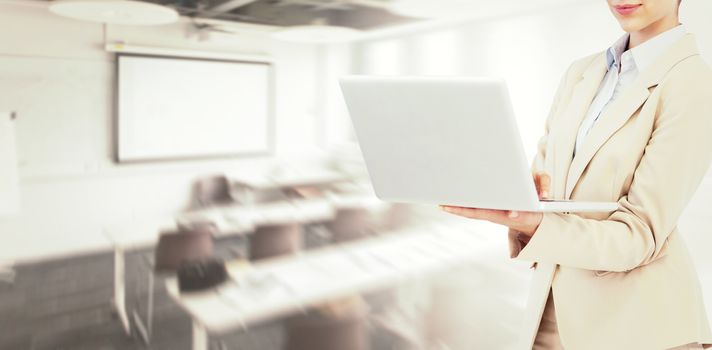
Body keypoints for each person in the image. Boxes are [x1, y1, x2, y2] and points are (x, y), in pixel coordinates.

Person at [440, 0, 712, 349]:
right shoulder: (580, 73)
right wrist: (515, 195)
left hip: (639, 328)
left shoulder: (693, 85)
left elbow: (640, 235)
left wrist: (535, 224)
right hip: (551, 314)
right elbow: (547, 186)